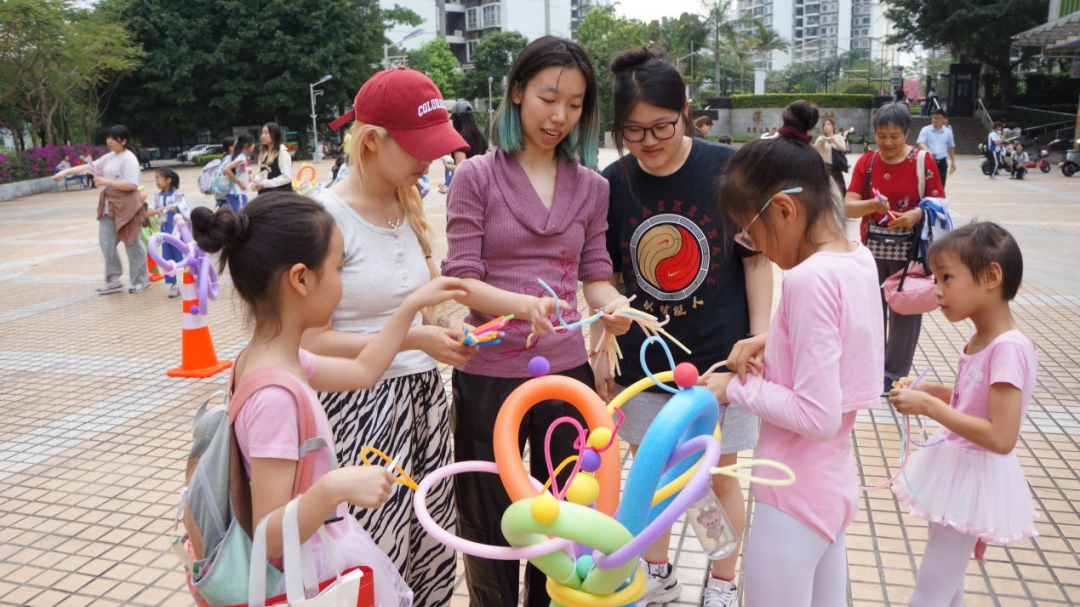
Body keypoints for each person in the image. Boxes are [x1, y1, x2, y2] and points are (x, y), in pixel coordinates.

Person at [189, 195, 470, 606]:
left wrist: (411, 306)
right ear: (301, 279)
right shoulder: (275, 397)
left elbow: (363, 372)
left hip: (312, 557)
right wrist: (334, 487)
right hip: (300, 577)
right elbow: (268, 531)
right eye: (338, 268)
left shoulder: (273, 358)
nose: (342, 280)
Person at [441, 36, 631, 607]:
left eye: (574, 104)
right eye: (549, 97)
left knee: (562, 512)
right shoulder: (476, 176)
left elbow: (596, 272)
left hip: (565, 370)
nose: (560, 116)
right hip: (489, 369)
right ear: (518, 91)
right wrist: (522, 306)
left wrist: (612, 308)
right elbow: (461, 279)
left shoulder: (592, 186)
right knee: (489, 515)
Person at [598, 47, 772, 607]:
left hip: (721, 360)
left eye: (662, 127)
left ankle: (721, 582)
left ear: (687, 112)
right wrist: (603, 342)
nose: (649, 142)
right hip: (646, 366)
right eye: (633, 131)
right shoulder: (613, 182)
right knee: (652, 477)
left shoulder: (729, 167)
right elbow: (602, 275)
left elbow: (757, 260)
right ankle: (657, 575)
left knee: (716, 476)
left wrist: (760, 337)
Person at [303, 68, 473, 607]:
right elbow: (310, 344)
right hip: (359, 408)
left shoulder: (407, 205)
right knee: (373, 550)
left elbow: (409, 308)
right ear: (372, 142)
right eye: (419, 148)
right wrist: (415, 341)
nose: (431, 160)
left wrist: (442, 334)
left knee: (429, 545)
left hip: (422, 401)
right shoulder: (324, 220)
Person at [705, 100, 884, 606]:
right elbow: (849, 347)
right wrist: (774, 339)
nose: (751, 245)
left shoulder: (806, 279)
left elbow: (817, 413)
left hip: (792, 495)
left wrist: (735, 387)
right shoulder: (856, 258)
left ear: (784, 210)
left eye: (749, 231)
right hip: (833, 486)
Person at [889, 222, 1037, 607]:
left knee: (931, 589)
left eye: (947, 278)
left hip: (973, 478)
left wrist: (931, 407)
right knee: (947, 582)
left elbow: (1001, 437)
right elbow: (970, 401)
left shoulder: (1008, 348)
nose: (937, 290)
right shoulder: (981, 339)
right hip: (961, 474)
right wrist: (932, 393)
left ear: (991, 276)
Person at [845, 103, 945, 394]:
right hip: (872, 250)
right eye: (881, 135)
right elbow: (849, 206)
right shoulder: (867, 162)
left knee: (905, 313)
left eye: (895, 136)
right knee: (871, 313)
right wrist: (873, 206)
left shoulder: (922, 161)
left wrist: (917, 213)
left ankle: (892, 375)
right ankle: (870, 370)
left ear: (907, 134)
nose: (888, 142)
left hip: (910, 253)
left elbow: (939, 203)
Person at [54, 125, 150, 295]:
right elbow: (87, 167)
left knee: (133, 244)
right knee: (107, 244)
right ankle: (113, 280)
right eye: (108, 137)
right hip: (109, 206)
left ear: (124, 140)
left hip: (128, 206)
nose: (109, 141)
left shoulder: (129, 159)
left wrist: (106, 182)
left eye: (113, 138)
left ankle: (141, 281)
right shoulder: (109, 157)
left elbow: (132, 185)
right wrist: (66, 171)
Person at [146, 168, 191, 298]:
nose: (156, 181)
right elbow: (147, 212)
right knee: (167, 258)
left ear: (168, 180)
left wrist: (176, 209)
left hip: (176, 233)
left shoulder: (178, 195)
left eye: (158, 179)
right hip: (164, 234)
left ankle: (191, 280)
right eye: (155, 179)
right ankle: (174, 285)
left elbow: (187, 211)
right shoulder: (157, 196)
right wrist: (157, 211)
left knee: (182, 257)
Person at [439, 100, 490, 194]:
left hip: (466, 188)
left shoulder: (460, 139)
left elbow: (461, 168)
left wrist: (447, 166)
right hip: (482, 186)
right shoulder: (481, 137)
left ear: (457, 120)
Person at [917, 109, 957, 187]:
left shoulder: (948, 132)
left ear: (944, 119)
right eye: (934, 117)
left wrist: (953, 162)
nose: (935, 120)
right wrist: (927, 151)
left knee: (941, 185)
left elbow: (951, 147)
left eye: (938, 118)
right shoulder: (925, 129)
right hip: (928, 161)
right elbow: (921, 143)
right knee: (927, 185)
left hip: (942, 162)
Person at [255, 122, 294, 193]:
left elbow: (287, 177)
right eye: (262, 133)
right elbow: (260, 171)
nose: (263, 136)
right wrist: (256, 181)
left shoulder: (282, 153)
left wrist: (265, 183)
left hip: (280, 195)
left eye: (266, 133)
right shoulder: (263, 152)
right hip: (265, 194)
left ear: (274, 135)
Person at [813, 117, 849, 195]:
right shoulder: (821, 138)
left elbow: (844, 149)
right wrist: (819, 142)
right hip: (825, 167)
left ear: (833, 126)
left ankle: (845, 204)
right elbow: (814, 151)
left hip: (836, 167)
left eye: (829, 124)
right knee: (824, 189)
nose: (826, 126)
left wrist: (835, 142)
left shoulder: (838, 137)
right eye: (824, 125)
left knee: (842, 189)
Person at [224, 133, 254, 211]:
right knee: (240, 216)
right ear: (247, 145)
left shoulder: (242, 157)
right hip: (237, 193)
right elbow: (227, 169)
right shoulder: (241, 158)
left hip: (238, 193)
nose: (254, 145)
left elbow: (238, 172)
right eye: (252, 143)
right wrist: (239, 183)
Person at [215, 137, 235, 208]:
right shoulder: (231, 160)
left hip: (220, 193)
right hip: (227, 194)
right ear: (231, 148)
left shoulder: (223, 159)